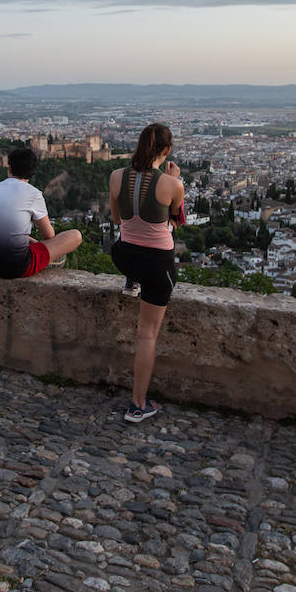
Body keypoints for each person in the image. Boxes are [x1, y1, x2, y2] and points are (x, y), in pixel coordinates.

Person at [109, 123, 185, 423]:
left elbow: (117, 218)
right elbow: (178, 221)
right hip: (156, 264)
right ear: (166, 151)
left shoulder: (116, 176)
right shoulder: (172, 185)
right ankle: (138, 404)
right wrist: (172, 179)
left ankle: (132, 280)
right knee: (147, 334)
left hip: (124, 257)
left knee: (131, 245)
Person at [0, 146, 82, 278]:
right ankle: (49, 262)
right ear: (32, 172)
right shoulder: (33, 194)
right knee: (76, 236)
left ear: (9, 168)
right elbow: (49, 236)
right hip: (15, 266)